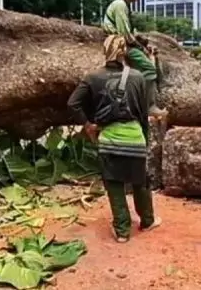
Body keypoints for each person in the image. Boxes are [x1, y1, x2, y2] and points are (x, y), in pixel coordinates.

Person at [67, 35, 162, 243]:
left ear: (104, 51)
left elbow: (73, 103)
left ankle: (122, 232)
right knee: (140, 181)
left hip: (109, 138)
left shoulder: (93, 77)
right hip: (134, 137)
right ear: (125, 52)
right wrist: (143, 140)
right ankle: (147, 221)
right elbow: (142, 112)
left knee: (114, 183)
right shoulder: (138, 77)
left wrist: (88, 124)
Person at [102, 0, 167, 118]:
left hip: (122, 42)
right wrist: (141, 48)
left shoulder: (124, 5)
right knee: (149, 69)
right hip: (118, 44)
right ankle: (149, 105)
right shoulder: (120, 6)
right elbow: (125, 34)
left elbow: (131, 31)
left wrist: (143, 41)